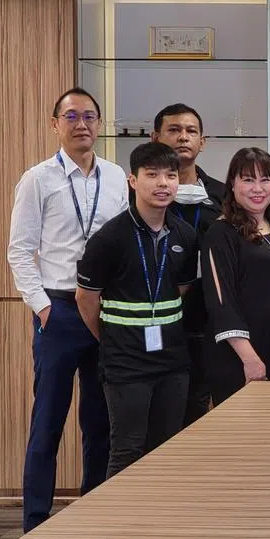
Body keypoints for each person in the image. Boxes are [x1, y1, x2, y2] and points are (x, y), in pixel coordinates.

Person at [8, 87, 128, 532]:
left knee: (100, 421)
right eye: (71, 116)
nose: (82, 124)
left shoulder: (117, 177)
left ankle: (91, 517)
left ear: (99, 123)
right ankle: (35, 523)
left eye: (90, 116)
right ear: (54, 123)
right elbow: (20, 251)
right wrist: (42, 309)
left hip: (103, 310)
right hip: (58, 312)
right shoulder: (38, 178)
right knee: (48, 422)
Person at [75, 143, 197, 477]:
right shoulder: (110, 238)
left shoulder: (184, 234)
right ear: (133, 180)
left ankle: (161, 522)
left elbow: (182, 289)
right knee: (127, 449)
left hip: (172, 361)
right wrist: (114, 338)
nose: (163, 183)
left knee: (168, 447)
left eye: (170, 175)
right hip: (126, 363)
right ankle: (120, 526)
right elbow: (86, 299)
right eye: (152, 175)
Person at [203, 148, 270, 403]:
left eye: (265, 179)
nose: (258, 188)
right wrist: (250, 358)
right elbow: (221, 302)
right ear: (233, 185)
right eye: (248, 180)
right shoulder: (221, 233)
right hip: (244, 357)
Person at [150, 103, 226, 424]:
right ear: (155, 138)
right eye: (174, 130)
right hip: (154, 321)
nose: (183, 137)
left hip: (206, 322)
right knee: (156, 419)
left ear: (202, 141)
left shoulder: (223, 197)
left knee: (198, 415)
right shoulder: (139, 197)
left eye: (191, 131)